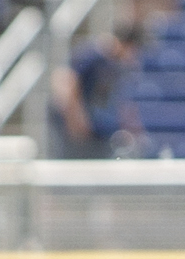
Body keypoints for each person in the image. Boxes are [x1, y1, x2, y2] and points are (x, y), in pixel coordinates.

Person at [50, 21, 145, 159]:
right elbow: (65, 80)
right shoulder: (94, 54)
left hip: (89, 118)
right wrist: (75, 117)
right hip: (72, 121)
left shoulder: (113, 63)